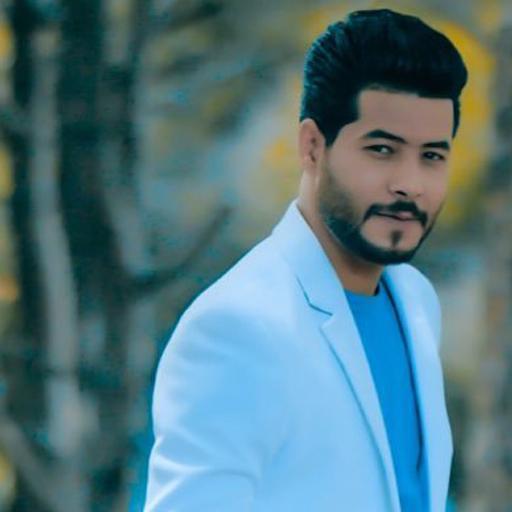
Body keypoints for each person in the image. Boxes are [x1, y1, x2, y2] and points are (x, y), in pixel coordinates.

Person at [144, 8, 468, 512]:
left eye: (432, 155)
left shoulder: (415, 300)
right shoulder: (236, 327)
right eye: (382, 149)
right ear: (313, 146)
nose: (410, 184)